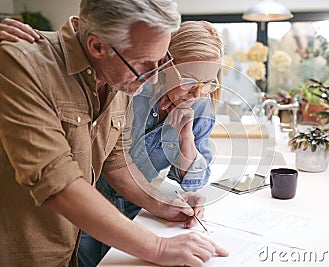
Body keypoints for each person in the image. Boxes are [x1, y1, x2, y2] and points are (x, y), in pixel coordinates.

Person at [0, 1, 228, 266]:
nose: (154, 79)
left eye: (160, 62)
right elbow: (57, 182)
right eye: (144, 64)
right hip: (25, 253)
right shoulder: (24, 63)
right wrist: (158, 247)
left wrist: (163, 204)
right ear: (98, 47)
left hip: (71, 248)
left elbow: (116, 159)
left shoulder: (117, 73)